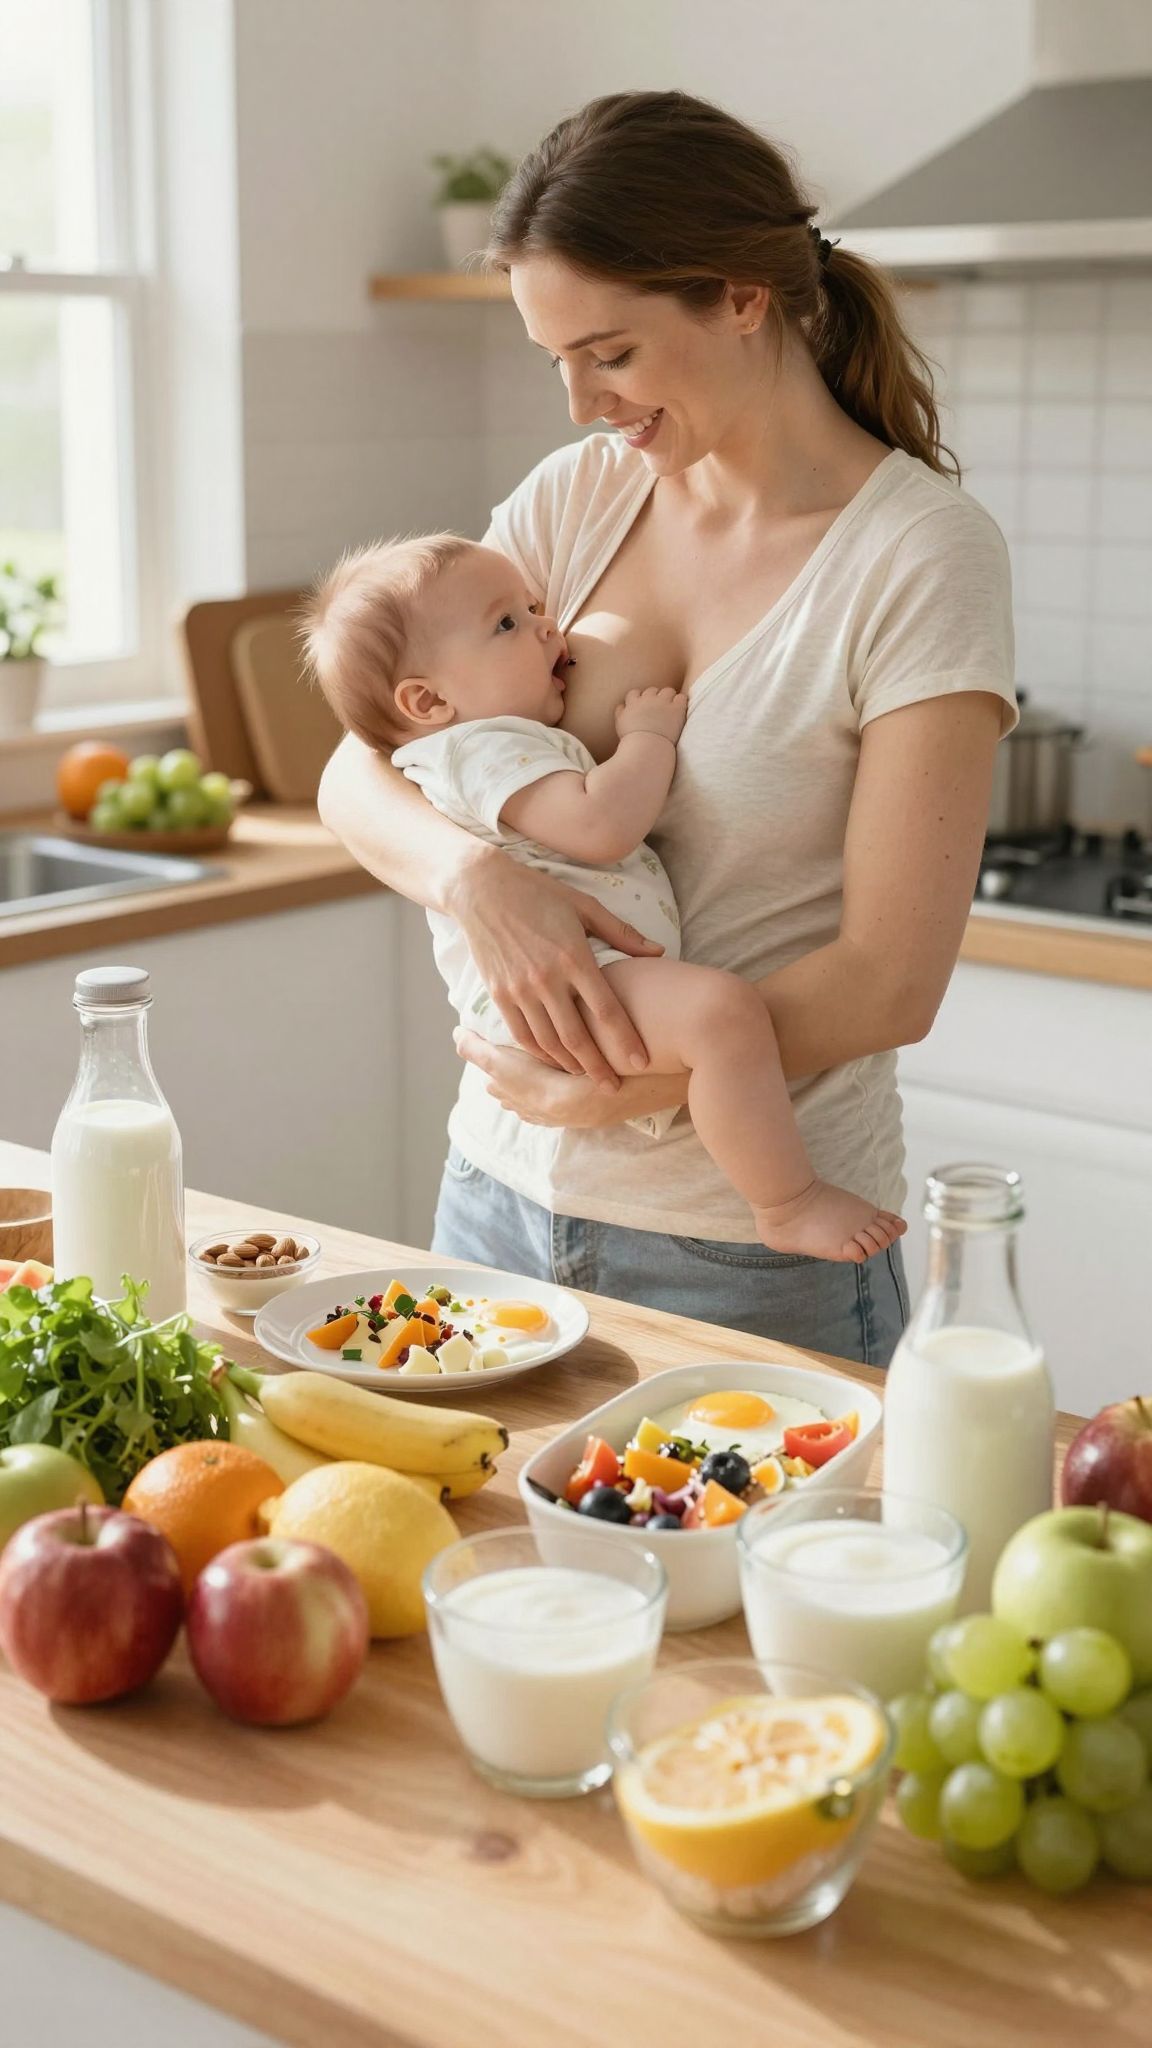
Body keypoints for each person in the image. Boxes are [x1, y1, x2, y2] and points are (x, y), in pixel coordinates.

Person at [317, 90, 1015, 1367]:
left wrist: (606, 1088)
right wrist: (477, 881)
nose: (584, 402)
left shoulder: (919, 556)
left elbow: (891, 978)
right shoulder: (580, 497)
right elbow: (361, 770)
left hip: (749, 1254)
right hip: (496, 1201)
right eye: (557, 361)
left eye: (614, 352)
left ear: (742, 294)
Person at [302, 532, 907, 1263]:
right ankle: (786, 1202)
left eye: (533, 606)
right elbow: (601, 823)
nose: (546, 625)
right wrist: (649, 738)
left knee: (717, 1021)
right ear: (427, 700)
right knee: (723, 1015)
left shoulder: (489, 741)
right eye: (507, 624)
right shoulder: (482, 747)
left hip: (575, 987)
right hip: (574, 981)